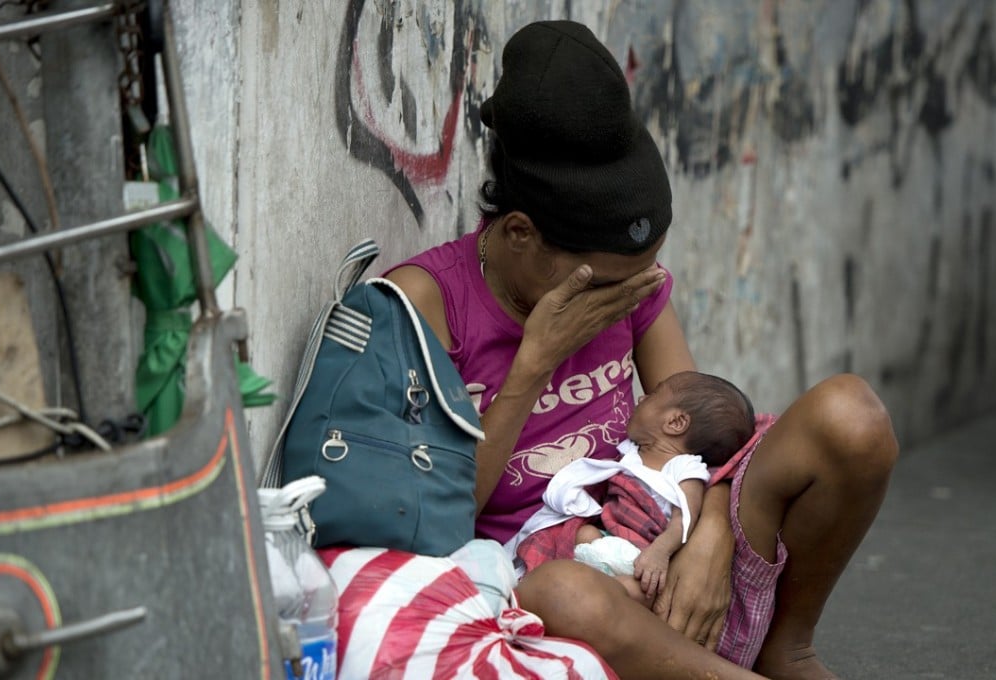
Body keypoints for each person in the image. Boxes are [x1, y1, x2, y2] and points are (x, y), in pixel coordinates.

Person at [384, 19, 898, 680]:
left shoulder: (628, 286)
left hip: (666, 531)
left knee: (851, 417)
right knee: (563, 593)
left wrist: (707, 533)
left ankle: (785, 649)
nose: (626, 297)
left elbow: (706, 443)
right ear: (519, 233)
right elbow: (437, 521)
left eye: (639, 280)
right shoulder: (426, 303)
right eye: (605, 284)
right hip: (561, 579)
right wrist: (534, 360)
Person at [511, 370, 757, 609]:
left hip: (645, 557)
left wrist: (660, 552)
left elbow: (685, 519)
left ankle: (596, 597)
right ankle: (578, 586)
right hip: (612, 542)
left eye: (652, 395)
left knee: (640, 591)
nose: (641, 398)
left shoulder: (685, 468)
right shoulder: (631, 454)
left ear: (675, 422)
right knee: (581, 535)